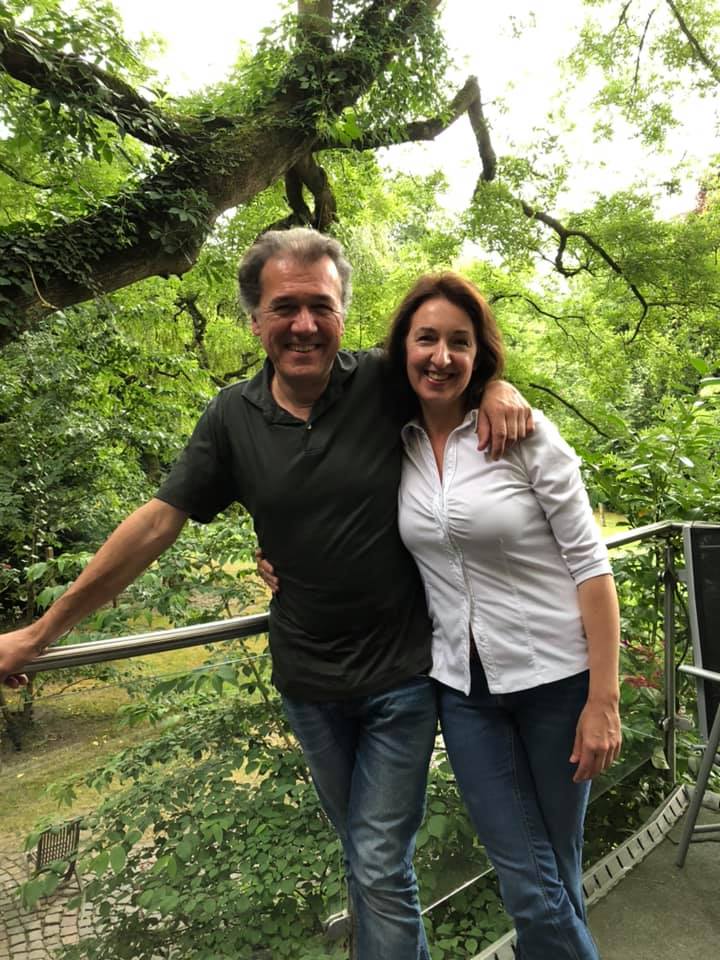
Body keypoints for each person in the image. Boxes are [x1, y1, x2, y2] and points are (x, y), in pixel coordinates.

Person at [0, 229, 533, 960]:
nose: (304, 325)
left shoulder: (384, 382)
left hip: (402, 679)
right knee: (364, 857)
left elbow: (457, 370)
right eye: (285, 307)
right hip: (308, 686)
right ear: (255, 320)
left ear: (343, 314)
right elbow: (156, 523)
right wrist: (40, 634)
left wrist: (501, 387)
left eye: (321, 307)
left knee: (379, 863)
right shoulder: (231, 417)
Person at [382, 271, 622, 959]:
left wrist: (603, 699)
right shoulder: (391, 445)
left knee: (554, 871)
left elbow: (591, 567)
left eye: (459, 342)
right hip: (465, 695)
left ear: (479, 354)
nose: (441, 356)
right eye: (426, 338)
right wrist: (278, 554)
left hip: (559, 686)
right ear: (402, 349)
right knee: (531, 882)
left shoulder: (525, 436)